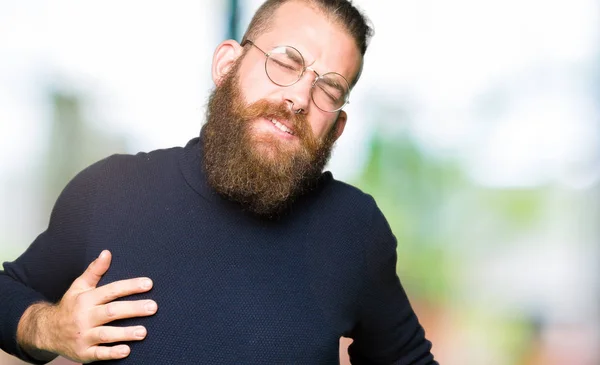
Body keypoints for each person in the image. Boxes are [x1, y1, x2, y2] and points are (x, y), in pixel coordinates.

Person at [0, 0, 437, 364]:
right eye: (287, 62)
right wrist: (49, 325)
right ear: (227, 65)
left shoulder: (353, 230)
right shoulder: (111, 190)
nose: (300, 99)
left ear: (337, 127)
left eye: (329, 89)